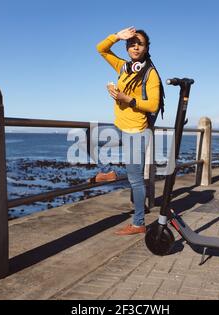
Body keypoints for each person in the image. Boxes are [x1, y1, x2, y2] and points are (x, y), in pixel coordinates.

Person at [96, 26, 165, 235]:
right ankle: (107, 171)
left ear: (146, 48)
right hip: (119, 127)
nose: (135, 47)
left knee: (135, 180)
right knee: (92, 135)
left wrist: (128, 99)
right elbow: (101, 49)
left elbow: (153, 105)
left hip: (137, 131)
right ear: (127, 47)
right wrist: (117, 36)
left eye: (140, 44)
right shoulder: (124, 68)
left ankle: (138, 223)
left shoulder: (150, 74)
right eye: (131, 43)